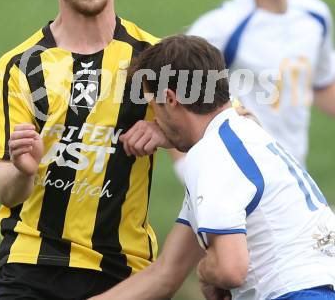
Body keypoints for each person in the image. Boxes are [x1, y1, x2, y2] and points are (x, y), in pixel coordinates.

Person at [0, 0, 172, 300]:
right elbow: (4, 188)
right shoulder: (20, 66)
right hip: (31, 268)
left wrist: (167, 132)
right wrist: (23, 168)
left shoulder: (155, 60)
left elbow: (227, 132)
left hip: (125, 271)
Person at [90, 35, 335, 300]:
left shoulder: (211, 156)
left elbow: (230, 270)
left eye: (153, 106)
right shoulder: (242, 136)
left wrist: (206, 271)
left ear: (170, 99)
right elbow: (166, 273)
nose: (155, 120)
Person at [171, 0, 335, 180]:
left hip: (294, 174)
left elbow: (323, 83)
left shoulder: (315, 15)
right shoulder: (221, 26)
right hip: (239, 180)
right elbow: (170, 92)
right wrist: (189, 170)